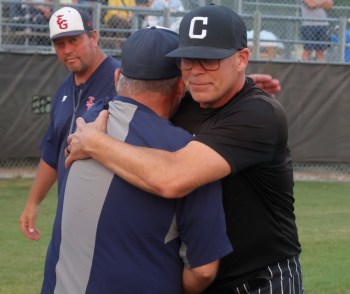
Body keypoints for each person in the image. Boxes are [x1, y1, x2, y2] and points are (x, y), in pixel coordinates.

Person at [66, 4, 304, 293]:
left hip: (260, 279)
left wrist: (94, 142)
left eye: (210, 60)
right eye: (188, 60)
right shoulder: (189, 102)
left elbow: (172, 178)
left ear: (242, 58)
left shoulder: (259, 114)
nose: (196, 71)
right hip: (206, 276)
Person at [41, 26, 233, 294]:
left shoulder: (85, 125)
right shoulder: (188, 153)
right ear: (181, 85)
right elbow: (203, 270)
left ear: (118, 76)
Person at [19, 6, 121, 241]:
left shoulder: (120, 81)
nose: (67, 50)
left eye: (74, 40)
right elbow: (52, 150)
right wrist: (33, 202)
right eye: (60, 44)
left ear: (93, 37)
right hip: (71, 216)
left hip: (111, 219)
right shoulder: (64, 89)